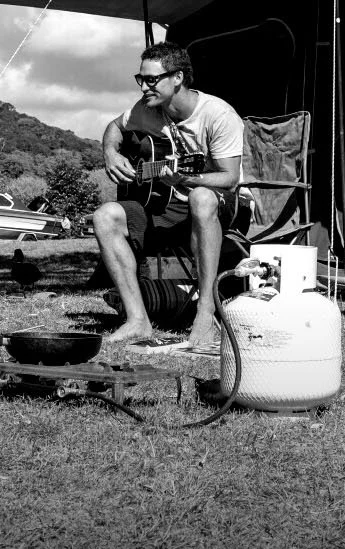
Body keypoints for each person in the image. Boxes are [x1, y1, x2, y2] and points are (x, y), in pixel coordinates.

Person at [93, 42, 244, 352]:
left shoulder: (217, 114)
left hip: (223, 203)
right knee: (104, 216)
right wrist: (110, 152)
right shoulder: (146, 110)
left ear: (178, 78)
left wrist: (185, 178)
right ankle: (137, 320)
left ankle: (205, 313)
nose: (144, 87)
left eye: (152, 79)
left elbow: (229, 178)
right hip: (168, 205)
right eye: (141, 79)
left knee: (201, 197)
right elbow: (114, 127)